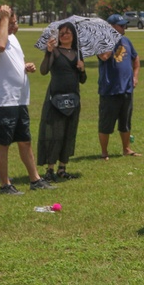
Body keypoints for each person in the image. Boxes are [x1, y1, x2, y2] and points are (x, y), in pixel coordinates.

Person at [0, 5, 53, 194]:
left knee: (25, 140)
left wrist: (24, 66)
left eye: (15, 22)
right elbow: (0, 47)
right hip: (3, 101)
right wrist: (4, 19)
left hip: (19, 99)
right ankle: (5, 184)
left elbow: (9, 60)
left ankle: (35, 179)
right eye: (11, 23)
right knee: (3, 144)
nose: (15, 26)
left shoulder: (12, 38)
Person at [37, 22, 86, 182]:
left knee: (68, 133)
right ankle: (50, 169)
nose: (65, 36)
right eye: (62, 33)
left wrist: (82, 69)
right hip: (56, 99)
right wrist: (48, 52)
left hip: (73, 99)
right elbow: (43, 71)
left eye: (68, 33)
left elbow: (83, 80)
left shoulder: (78, 53)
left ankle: (62, 168)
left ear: (73, 35)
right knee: (54, 134)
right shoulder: (55, 51)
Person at [97, 13, 141, 159]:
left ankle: (126, 148)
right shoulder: (102, 41)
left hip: (126, 88)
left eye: (124, 25)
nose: (124, 27)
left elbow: (136, 58)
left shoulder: (126, 41)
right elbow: (104, 56)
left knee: (125, 121)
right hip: (110, 89)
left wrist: (135, 76)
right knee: (106, 123)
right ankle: (104, 152)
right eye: (121, 25)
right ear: (111, 27)